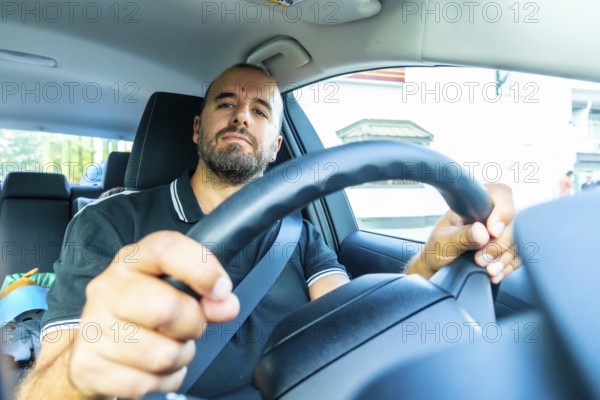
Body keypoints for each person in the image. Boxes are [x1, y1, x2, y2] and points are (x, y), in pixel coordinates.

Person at [16, 64, 520, 399]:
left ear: (276, 145)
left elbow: (349, 325)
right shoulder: (109, 222)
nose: (241, 116)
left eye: (259, 112)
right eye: (226, 103)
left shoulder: (298, 234)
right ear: (196, 128)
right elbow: (46, 384)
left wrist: (432, 261)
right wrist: (85, 369)